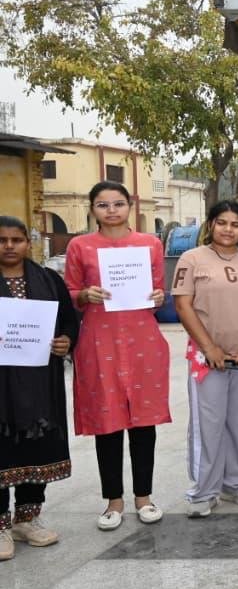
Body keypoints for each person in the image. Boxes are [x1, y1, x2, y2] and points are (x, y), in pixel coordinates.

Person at [65, 180, 169, 531]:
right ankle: (113, 501)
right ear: (92, 209)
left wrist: (158, 297)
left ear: (130, 206)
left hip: (142, 340)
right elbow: (69, 291)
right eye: (103, 204)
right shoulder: (80, 246)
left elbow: (158, 290)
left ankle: (144, 497)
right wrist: (84, 295)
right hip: (99, 341)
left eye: (118, 203)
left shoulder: (150, 244)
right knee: (106, 424)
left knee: (143, 422)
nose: (111, 210)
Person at [173, 201, 238, 518]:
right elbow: (184, 306)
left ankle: (237, 483)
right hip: (205, 357)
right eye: (222, 222)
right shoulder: (191, 259)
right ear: (211, 224)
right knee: (208, 424)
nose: (229, 229)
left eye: (236, 224)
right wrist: (209, 347)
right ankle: (204, 490)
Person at [0, 216, 78, 560]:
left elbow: (68, 320)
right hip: (1, 386)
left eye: (16, 240)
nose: (9, 246)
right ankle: (0, 524)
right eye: (2, 240)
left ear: (28, 243)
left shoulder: (47, 279)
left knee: (38, 441)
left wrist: (66, 342)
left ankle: (27, 519)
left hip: (41, 379)